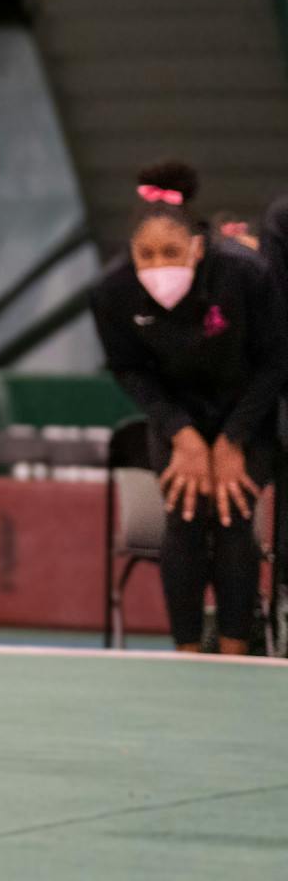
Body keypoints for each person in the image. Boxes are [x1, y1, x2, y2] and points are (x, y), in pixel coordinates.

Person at [92, 162, 287, 655]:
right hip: (175, 416)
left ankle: (235, 649)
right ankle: (187, 653)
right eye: (147, 255)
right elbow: (128, 369)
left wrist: (232, 440)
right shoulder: (112, 292)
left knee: (233, 512)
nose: (159, 265)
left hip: (246, 411)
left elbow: (276, 362)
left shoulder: (248, 274)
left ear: (197, 247)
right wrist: (182, 434)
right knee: (182, 513)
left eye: (171, 253)